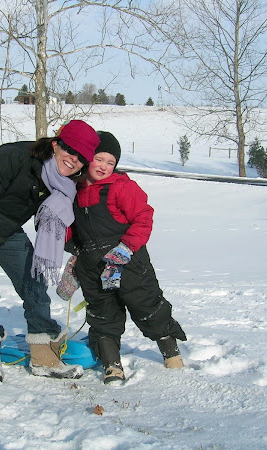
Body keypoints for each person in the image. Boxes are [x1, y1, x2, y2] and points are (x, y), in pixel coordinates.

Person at [0, 120, 100, 382]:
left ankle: (44, 358)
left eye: (82, 157)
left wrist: (80, 249)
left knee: (34, 283)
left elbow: (64, 220)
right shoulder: (12, 158)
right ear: (56, 143)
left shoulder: (64, 185)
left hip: (4, 227)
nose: (74, 160)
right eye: (70, 150)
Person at [58, 131, 187, 384]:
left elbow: (143, 218)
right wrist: (74, 249)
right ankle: (111, 364)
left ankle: (171, 354)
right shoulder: (74, 189)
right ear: (87, 158)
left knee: (146, 305)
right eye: (99, 159)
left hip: (128, 262)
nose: (104, 167)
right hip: (92, 266)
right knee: (102, 314)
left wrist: (126, 248)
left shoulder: (122, 188)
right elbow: (68, 225)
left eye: (111, 162)